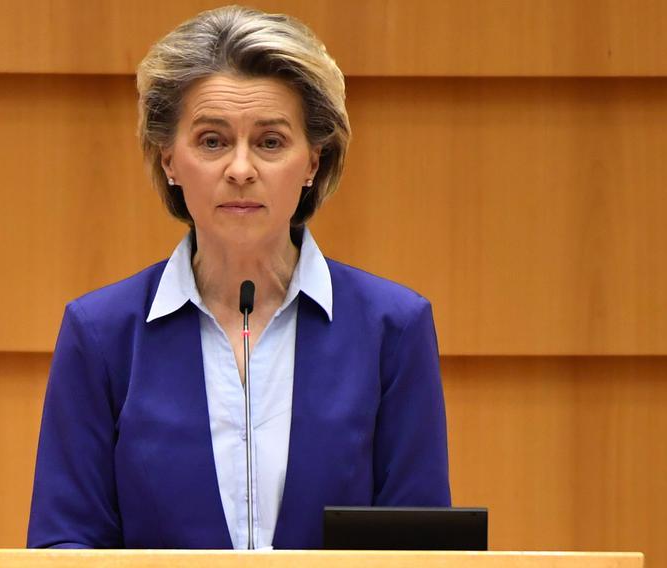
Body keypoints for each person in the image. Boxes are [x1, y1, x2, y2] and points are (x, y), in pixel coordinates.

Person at [27, 5, 450, 550]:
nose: (241, 169)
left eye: (271, 142)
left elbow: (421, 553)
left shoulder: (392, 328)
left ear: (313, 163)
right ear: (169, 160)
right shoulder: (102, 333)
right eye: (212, 141)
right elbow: (66, 544)